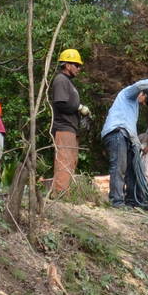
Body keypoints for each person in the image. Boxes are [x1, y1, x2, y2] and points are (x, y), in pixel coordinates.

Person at [99, 73, 148, 207]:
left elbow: (131, 128)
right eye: (145, 99)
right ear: (142, 93)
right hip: (117, 132)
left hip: (125, 135)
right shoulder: (128, 94)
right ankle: (117, 202)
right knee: (119, 167)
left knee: (133, 169)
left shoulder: (133, 107)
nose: (143, 103)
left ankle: (132, 202)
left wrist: (136, 144)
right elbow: (139, 85)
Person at [49, 49, 87, 194]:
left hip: (71, 128)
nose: (79, 68)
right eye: (76, 65)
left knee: (71, 162)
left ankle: (66, 194)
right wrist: (78, 107)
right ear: (67, 65)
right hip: (63, 127)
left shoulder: (68, 82)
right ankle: (60, 194)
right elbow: (60, 103)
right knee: (64, 161)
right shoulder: (61, 80)